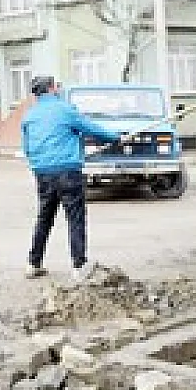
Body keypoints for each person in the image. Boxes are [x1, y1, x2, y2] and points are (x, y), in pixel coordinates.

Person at [20, 76, 122, 280]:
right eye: (57, 85)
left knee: (44, 217)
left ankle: (33, 263)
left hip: (43, 173)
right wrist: (115, 137)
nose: (59, 88)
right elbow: (91, 128)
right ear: (50, 89)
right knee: (75, 217)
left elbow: (27, 148)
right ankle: (79, 266)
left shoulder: (29, 116)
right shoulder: (65, 110)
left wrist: (40, 165)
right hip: (67, 171)